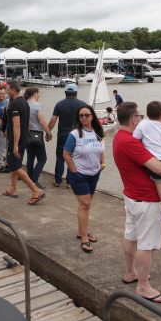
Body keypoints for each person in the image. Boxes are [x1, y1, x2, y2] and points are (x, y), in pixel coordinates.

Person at [113, 102, 161, 302]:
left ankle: (131, 272)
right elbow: (159, 168)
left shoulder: (118, 137)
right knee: (146, 244)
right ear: (133, 120)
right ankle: (143, 287)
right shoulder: (131, 142)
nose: (141, 120)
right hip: (146, 199)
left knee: (130, 235)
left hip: (131, 196)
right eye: (139, 117)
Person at [63, 104, 107, 252]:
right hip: (79, 174)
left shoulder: (97, 132)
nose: (84, 118)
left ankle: (81, 230)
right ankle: (84, 238)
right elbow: (66, 154)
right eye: (81, 116)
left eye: (87, 115)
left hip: (94, 173)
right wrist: (74, 171)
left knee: (87, 205)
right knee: (85, 204)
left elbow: (101, 148)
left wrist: (102, 163)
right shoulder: (75, 134)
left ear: (92, 116)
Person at [132, 101, 161, 219]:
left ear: (146, 113)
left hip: (156, 159)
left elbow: (135, 138)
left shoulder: (143, 124)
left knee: (159, 183)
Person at [3, 81, 45, 205]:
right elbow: (28, 124)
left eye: (7, 89)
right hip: (24, 138)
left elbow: (17, 124)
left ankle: (36, 190)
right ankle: (13, 189)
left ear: (12, 90)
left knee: (14, 166)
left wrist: (15, 144)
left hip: (17, 140)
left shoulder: (14, 105)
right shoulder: (25, 103)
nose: (6, 92)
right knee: (14, 165)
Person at [48, 84, 86, 188]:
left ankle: (58, 180)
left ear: (65, 92)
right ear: (76, 93)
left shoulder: (59, 104)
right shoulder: (82, 104)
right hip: (77, 135)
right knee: (73, 158)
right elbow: (86, 119)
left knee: (60, 157)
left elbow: (53, 120)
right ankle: (69, 182)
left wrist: (48, 132)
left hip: (62, 135)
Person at [25, 87, 52, 189]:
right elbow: (43, 123)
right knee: (42, 159)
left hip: (27, 134)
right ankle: (35, 181)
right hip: (36, 134)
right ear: (36, 94)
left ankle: (30, 179)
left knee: (30, 158)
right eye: (39, 93)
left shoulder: (25, 104)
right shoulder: (37, 106)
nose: (39, 95)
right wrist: (49, 133)